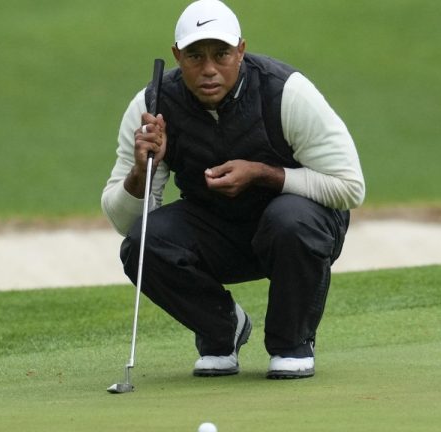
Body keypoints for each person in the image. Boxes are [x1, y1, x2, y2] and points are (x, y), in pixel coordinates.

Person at [101, 0, 364, 379]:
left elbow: (350, 188)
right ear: (177, 56)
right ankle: (222, 330)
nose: (209, 69)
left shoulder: (285, 92)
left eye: (221, 54)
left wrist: (262, 173)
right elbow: (126, 223)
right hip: (218, 232)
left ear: (240, 50)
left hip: (296, 231)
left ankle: (292, 343)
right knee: (143, 244)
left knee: (289, 219)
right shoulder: (153, 105)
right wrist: (142, 171)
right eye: (195, 56)